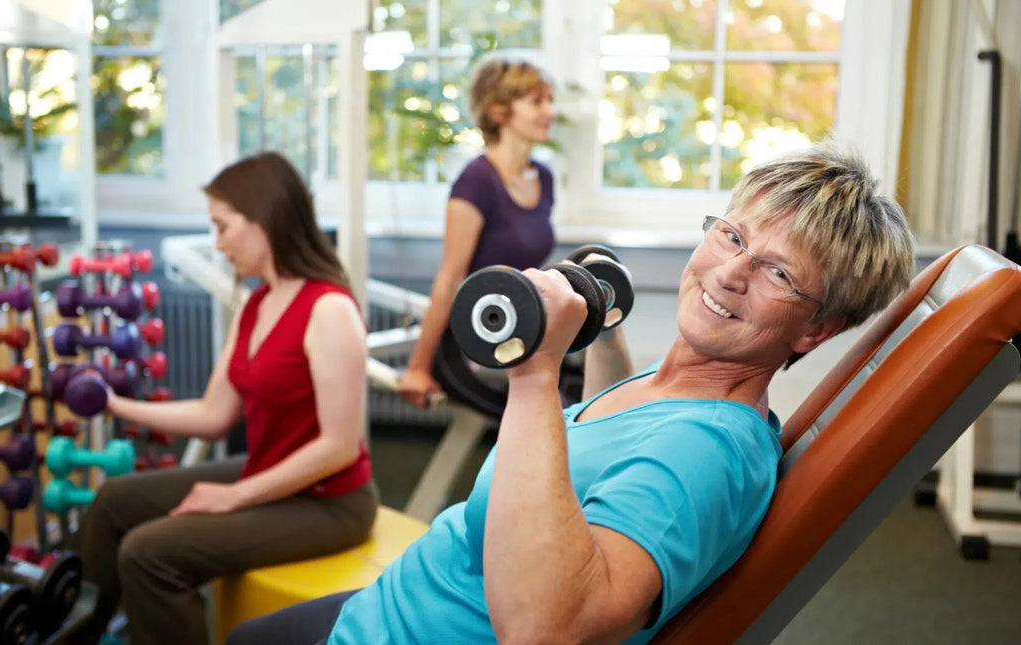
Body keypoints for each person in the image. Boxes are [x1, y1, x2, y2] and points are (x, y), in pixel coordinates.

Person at [225, 141, 915, 644]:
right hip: (400, 604)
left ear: (815, 329)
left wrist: (532, 370)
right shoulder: (678, 382)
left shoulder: (706, 450)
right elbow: (609, 461)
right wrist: (600, 328)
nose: (730, 271)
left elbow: (546, 628)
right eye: (732, 234)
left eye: (776, 272)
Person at [68, 152, 378, 645]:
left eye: (223, 227)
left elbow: (338, 448)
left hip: (329, 503)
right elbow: (214, 415)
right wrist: (112, 403)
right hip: (270, 471)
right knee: (112, 501)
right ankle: (75, 633)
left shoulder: (329, 309)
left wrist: (232, 496)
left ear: (265, 220)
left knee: (149, 553)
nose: (217, 244)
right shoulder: (256, 304)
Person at [399, 54, 558, 408]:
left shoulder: (543, 179)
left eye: (550, 100)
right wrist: (417, 367)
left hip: (517, 329)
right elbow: (450, 277)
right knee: (532, 416)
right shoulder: (476, 183)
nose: (550, 111)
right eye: (537, 102)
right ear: (500, 111)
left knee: (573, 400)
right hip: (468, 335)